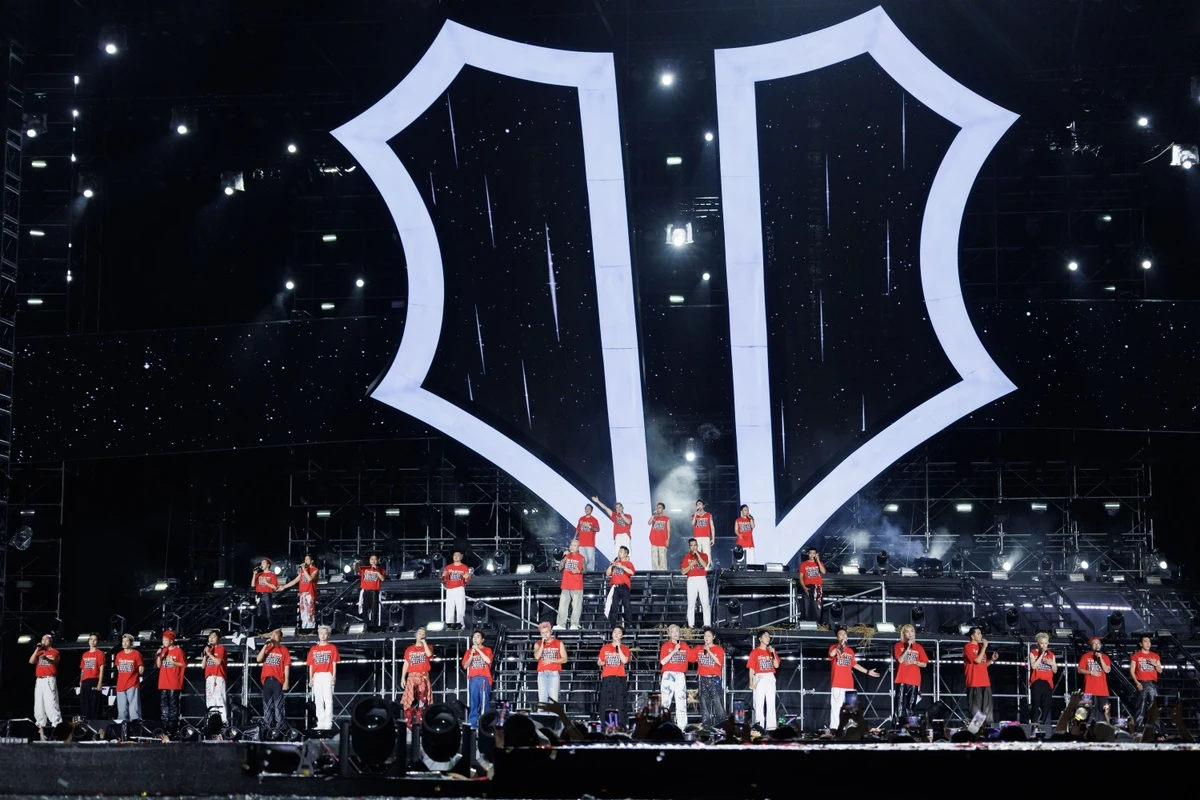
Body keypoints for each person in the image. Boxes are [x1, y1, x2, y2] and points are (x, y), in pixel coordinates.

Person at [828, 626, 879, 731]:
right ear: (837, 638)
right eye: (840, 634)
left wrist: (867, 672)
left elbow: (854, 664)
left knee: (851, 708)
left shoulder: (850, 651)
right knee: (836, 707)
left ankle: (850, 729)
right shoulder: (833, 647)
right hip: (837, 684)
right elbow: (831, 654)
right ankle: (834, 729)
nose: (843, 636)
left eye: (844, 634)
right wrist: (840, 645)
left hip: (849, 684)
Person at [893, 624, 928, 727]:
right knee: (899, 704)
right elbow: (900, 660)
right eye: (907, 631)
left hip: (914, 679)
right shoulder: (898, 645)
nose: (910, 634)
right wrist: (907, 648)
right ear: (903, 633)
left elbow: (925, 664)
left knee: (911, 706)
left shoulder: (919, 647)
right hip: (902, 678)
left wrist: (914, 662)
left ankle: (909, 727)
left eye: (911, 631)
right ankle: (897, 726)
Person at [256, 629, 291, 731]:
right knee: (267, 705)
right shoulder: (267, 648)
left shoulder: (283, 650)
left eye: (276, 635)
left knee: (278, 705)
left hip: (278, 680)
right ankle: (268, 727)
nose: (273, 637)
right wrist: (265, 645)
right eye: (272, 635)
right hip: (267, 680)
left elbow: (287, 666)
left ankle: (280, 727)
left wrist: (286, 681)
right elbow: (258, 659)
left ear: (280, 638)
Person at [597, 625, 631, 729]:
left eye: (619, 632)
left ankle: (620, 725)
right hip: (607, 677)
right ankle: (606, 725)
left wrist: (618, 647)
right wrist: (601, 663)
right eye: (615, 632)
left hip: (619, 678)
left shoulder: (625, 648)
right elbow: (599, 661)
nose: (616, 634)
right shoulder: (605, 648)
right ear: (612, 634)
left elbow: (624, 660)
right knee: (606, 702)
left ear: (622, 636)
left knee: (619, 703)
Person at [306, 625, 339, 730]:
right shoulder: (313, 649)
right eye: (321, 633)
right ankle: (320, 723)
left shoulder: (332, 648)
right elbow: (311, 665)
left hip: (327, 674)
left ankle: (328, 723)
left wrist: (334, 677)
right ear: (318, 634)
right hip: (317, 675)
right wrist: (311, 678)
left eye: (325, 633)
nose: (323, 635)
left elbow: (334, 663)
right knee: (318, 700)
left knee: (328, 699)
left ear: (328, 635)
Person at [29, 634, 62, 739]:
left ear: (50, 641)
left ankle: (57, 725)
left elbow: (55, 662)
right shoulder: (39, 652)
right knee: (39, 704)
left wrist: (46, 658)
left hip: (49, 679)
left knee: (51, 702)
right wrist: (37, 649)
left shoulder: (54, 652)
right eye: (42, 639)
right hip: (39, 680)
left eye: (45, 639)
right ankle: (40, 725)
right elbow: (31, 661)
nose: (43, 641)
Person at [748, 630, 782, 731]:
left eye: (769, 636)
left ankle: (771, 728)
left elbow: (776, 665)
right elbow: (751, 668)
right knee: (759, 704)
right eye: (766, 636)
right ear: (760, 639)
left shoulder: (771, 651)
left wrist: (772, 653)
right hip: (759, 677)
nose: (768, 638)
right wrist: (751, 681)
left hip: (770, 677)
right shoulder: (755, 652)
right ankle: (760, 728)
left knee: (771, 703)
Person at [964, 626, 998, 724]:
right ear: (972, 636)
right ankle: (976, 731)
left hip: (985, 682)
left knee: (987, 711)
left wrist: (991, 660)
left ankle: (987, 730)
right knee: (976, 712)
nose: (981, 635)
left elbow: (983, 665)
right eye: (978, 633)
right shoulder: (968, 646)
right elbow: (977, 661)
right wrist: (984, 647)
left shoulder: (980, 647)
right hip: (974, 682)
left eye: (981, 633)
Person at [278, 553, 319, 634]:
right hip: (302, 594)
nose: (306, 561)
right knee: (303, 612)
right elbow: (295, 581)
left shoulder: (315, 570)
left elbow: (310, 579)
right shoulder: (302, 571)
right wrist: (284, 586)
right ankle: (304, 628)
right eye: (305, 559)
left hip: (309, 593)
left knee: (310, 612)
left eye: (308, 559)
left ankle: (311, 629)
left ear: (312, 561)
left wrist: (304, 569)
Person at [659, 624, 691, 729]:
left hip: (680, 675)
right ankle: (662, 726)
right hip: (668, 674)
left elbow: (692, 657)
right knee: (665, 701)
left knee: (681, 701)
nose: (675, 633)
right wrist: (674, 651)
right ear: (669, 634)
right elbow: (663, 661)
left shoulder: (684, 645)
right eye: (672, 631)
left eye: (677, 631)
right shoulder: (666, 646)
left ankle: (682, 726)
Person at [400, 628, 434, 726]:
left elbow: (429, 654)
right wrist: (403, 677)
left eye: (423, 634)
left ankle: (420, 726)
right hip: (411, 677)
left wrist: (424, 643)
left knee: (423, 703)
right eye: (419, 633)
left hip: (423, 677)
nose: (421, 635)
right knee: (409, 703)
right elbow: (406, 663)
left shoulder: (429, 647)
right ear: (415, 635)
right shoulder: (409, 649)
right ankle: (408, 726)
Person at [156, 630, 186, 738]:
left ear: (172, 641)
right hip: (163, 683)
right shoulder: (163, 651)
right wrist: (159, 655)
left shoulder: (178, 651)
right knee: (164, 707)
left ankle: (172, 730)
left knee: (173, 707)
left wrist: (173, 662)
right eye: (163, 640)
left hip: (174, 683)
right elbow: (158, 665)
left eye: (166, 640)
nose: (163, 642)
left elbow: (183, 664)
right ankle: (165, 729)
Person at [693, 627, 726, 727]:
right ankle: (706, 725)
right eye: (705, 636)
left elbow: (720, 663)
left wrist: (709, 651)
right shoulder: (699, 648)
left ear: (713, 637)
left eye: (709, 636)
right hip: (703, 678)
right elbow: (690, 657)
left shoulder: (718, 649)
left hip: (714, 678)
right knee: (703, 702)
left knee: (717, 702)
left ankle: (722, 724)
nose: (706, 638)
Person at [1130, 634, 1163, 729]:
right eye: (1145, 641)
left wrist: (1155, 664)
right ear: (1141, 644)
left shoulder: (1155, 656)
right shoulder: (1136, 656)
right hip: (1142, 682)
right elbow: (1132, 670)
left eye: (1149, 642)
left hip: (1153, 683)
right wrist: (1137, 682)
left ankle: (1155, 729)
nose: (1148, 644)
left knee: (1155, 706)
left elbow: (1160, 670)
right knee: (1141, 705)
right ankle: (1139, 727)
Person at [461, 629, 492, 728]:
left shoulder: (487, 650)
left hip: (483, 678)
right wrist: (471, 656)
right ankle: (473, 724)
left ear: (482, 640)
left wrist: (478, 650)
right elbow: (465, 666)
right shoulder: (469, 652)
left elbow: (488, 661)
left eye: (478, 637)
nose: (475, 639)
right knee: (473, 702)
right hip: (473, 679)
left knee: (484, 701)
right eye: (474, 637)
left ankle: (484, 723)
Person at [1078, 636, 1112, 724]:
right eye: (1094, 643)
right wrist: (1090, 672)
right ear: (1091, 645)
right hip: (1088, 690)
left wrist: (1100, 659)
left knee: (1105, 711)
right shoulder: (1085, 656)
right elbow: (1079, 670)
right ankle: (1085, 729)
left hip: (1102, 690)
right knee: (1085, 712)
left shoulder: (1105, 657)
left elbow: (1107, 670)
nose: (1097, 645)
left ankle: (1107, 728)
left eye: (1098, 643)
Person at [1028, 631, 1057, 731]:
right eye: (1041, 643)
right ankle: (1034, 729)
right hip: (1037, 682)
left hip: (1047, 683)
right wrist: (1041, 655)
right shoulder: (1033, 653)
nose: (1044, 645)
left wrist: (1051, 663)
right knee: (1035, 705)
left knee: (1047, 707)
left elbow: (1055, 670)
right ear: (1038, 644)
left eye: (1045, 643)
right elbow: (1033, 666)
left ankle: (1046, 729)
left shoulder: (1051, 655)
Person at [113, 634, 144, 725]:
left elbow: (141, 670)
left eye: (127, 641)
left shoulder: (136, 654)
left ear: (131, 642)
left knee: (134, 708)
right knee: (122, 709)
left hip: (132, 683)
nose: (124, 643)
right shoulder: (119, 655)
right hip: (121, 685)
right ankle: (123, 727)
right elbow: (119, 669)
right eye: (123, 641)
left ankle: (135, 726)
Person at [534, 621, 568, 702]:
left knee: (553, 699)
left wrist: (552, 661)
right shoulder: (538, 644)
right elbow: (537, 656)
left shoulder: (558, 643)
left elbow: (565, 659)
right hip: (542, 674)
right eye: (542, 633)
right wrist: (542, 644)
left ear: (551, 632)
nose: (545, 634)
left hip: (554, 673)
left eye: (546, 632)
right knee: (542, 699)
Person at [200, 630, 228, 725]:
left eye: (214, 636)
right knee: (210, 701)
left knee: (219, 699)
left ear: (219, 639)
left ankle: (223, 722)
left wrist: (209, 654)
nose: (211, 638)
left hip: (218, 677)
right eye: (210, 637)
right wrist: (205, 654)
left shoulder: (221, 648)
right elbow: (203, 666)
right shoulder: (208, 650)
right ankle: (211, 722)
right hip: (209, 677)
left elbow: (218, 662)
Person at [681, 539, 711, 628]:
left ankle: (707, 624)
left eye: (695, 545)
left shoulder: (704, 555)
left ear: (697, 546)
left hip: (702, 579)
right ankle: (691, 624)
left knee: (705, 602)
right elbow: (683, 571)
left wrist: (698, 555)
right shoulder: (686, 557)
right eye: (691, 545)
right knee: (691, 603)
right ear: (689, 547)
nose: (693, 547)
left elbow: (705, 565)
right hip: (691, 580)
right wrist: (691, 565)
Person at [556, 540, 585, 630]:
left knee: (576, 606)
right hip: (566, 584)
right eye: (571, 545)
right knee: (562, 606)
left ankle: (574, 624)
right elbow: (560, 568)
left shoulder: (581, 557)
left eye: (574, 545)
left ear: (578, 548)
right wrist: (564, 558)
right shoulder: (566, 556)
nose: (572, 547)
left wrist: (578, 571)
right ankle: (561, 624)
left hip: (577, 585)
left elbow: (585, 570)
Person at [353, 554, 386, 631]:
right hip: (366, 591)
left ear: (377, 561)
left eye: (375, 559)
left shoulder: (380, 569)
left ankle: (374, 627)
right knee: (365, 609)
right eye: (372, 559)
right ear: (369, 561)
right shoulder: (365, 568)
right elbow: (356, 569)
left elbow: (382, 579)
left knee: (374, 610)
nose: (373, 561)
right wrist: (356, 563)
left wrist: (376, 571)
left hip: (374, 592)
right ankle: (366, 626)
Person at [440, 551, 472, 629]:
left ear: (461, 557)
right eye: (454, 555)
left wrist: (466, 577)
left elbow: (467, 580)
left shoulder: (464, 567)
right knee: (449, 608)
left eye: (458, 555)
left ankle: (460, 625)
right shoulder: (448, 567)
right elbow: (443, 579)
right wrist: (443, 576)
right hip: (450, 589)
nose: (456, 556)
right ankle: (449, 625)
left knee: (460, 607)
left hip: (459, 589)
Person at [604, 545, 635, 624]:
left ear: (626, 554)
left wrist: (622, 567)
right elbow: (607, 573)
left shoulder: (628, 563)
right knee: (614, 606)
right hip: (615, 587)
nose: (619, 552)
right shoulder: (615, 563)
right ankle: (612, 624)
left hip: (624, 586)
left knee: (627, 605)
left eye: (621, 551)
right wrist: (611, 565)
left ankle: (629, 623)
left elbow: (632, 572)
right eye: (619, 551)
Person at [79, 633, 105, 720]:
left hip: (94, 680)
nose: (92, 641)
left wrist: (100, 683)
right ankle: (86, 723)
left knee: (94, 704)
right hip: (85, 681)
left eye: (95, 640)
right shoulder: (85, 654)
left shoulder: (100, 654)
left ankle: (95, 723)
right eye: (91, 639)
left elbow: (101, 669)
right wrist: (81, 681)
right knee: (85, 704)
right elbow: (83, 669)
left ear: (97, 642)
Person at [798, 548, 826, 623]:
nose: (812, 555)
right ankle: (807, 623)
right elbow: (801, 578)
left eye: (814, 553)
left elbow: (823, 572)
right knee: (807, 607)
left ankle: (818, 623)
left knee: (817, 607)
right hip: (808, 586)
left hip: (817, 587)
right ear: (808, 554)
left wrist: (818, 561)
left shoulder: (819, 563)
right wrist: (804, 588)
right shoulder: (803, 564)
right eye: (810, 553)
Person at [252, 557, 280, 633]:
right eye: (261, 563)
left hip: (267, 594)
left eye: (264, 563)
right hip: (259, 595)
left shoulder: (272, 574)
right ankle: (261, 629)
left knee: (268, 613)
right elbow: (253, 585)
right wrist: (254, 574)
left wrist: (266, 583)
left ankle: (270, 628)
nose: (262, 564)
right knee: (260, 613)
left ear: (268, 565)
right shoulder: (259, 574)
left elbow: (275, 587)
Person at [575, 504, 601, 572]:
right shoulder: (581, 519)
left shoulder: (594, 520)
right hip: (581, 543)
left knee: (590, 560)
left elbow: (597, 529)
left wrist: (589, 526)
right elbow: (578, 530)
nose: (587, 510)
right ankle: (583, 573)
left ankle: (590, 575)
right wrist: (574, 539)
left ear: (591, 510)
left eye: (589, 509)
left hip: (590, 543)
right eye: (586, 508)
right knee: (583, 559)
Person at [648, 503, 671, 571]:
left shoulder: (666, 518)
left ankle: (663, 573)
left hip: (662, 541)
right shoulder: (654, 518)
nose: (658, 509)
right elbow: (649, 523)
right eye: (657, 507)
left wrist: (668, 539)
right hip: (654, 540)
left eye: (660, 508)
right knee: (654, 558)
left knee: (662, 559)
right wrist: (653, 516)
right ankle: (655, 573)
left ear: (663, 509)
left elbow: (668, 530)